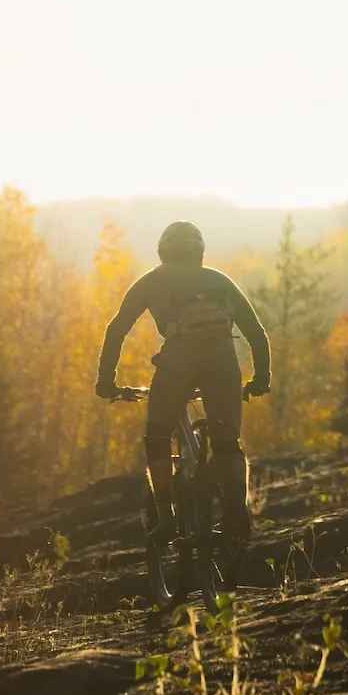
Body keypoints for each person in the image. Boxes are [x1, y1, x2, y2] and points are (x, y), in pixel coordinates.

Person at [95, 220, 272, 547]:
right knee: (227, 443)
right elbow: (257, 334)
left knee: (158, 436)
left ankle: (166, 517)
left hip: (178, 362)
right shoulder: (220, 280)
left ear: (163, 252)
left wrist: (106, 381)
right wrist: (261, 379)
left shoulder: (152, 280)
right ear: (200, 253)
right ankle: (236, 509)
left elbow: (116, 329)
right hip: (223, 362)